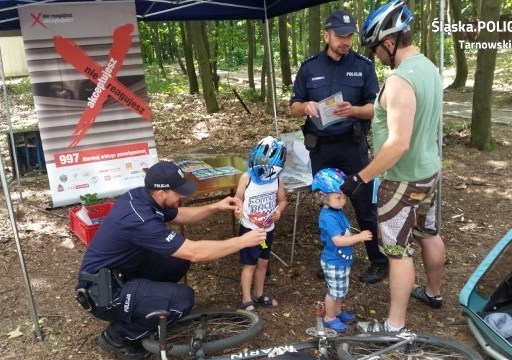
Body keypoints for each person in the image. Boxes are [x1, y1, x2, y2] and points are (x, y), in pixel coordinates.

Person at [76, 161, 267, 360]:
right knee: (183, 298)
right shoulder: (140, 219)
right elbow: (195, 252)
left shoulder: (141, 196)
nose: (182, 196)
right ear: (162, 193)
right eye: (178, 192)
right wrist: (243, 241)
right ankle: (117, 336)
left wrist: (215, 207)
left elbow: (178, 215)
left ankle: (150, 306)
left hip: (122, 275)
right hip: (103, 295)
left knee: (177, 261)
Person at [340, 0, 445, 333]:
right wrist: (357, 110)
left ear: (390, 42)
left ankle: (394, 325)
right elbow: (391, 112)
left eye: (376, 50)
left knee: (398, 251)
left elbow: (398, 143)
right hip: (429, 171)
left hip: (402, 180)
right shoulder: (428, 67)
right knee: (430, 233)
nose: (376, 57)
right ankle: (433, 292)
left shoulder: (400, 80)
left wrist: (361, 177)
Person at [290, 9, 389, 284]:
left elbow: (375, 109)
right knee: (328, 204)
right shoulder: (310, 67)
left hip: (352, 147)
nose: (345, 41)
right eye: (340, 36)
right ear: (326, 35)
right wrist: (304, 107)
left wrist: (354, 111)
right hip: (321, 148)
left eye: (349, 36)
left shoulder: (363, 66)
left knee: (363, 204)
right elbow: (294, 105)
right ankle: (333, 256)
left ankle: (378, 261)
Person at [312, 168, 373, 332]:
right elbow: (338, 240)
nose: (343, 200)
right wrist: (359, 237)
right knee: (334, 291)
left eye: (344, 196)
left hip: (341, 260)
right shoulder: (328, 217)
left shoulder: (336, 211)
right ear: (323, 198)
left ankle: (337, 311)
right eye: (338, 197)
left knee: (341, 290)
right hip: (334, 261)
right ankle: (329, 318)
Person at [234, 136, 288, 313]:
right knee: (249, 264)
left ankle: (258, 294)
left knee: (263, 263)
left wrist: (279, 211)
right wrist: (239, 208)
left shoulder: (277, 180)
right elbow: (238, 198)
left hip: (267, 230)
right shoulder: (246, 178)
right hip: (249, 229)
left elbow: (282, 200)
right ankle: (246, 299)